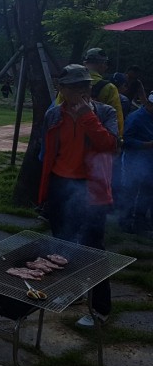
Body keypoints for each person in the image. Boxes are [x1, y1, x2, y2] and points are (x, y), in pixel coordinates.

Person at [38, 64, 118, 327]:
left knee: (93, 248)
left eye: (85, 86)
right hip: (61, 185)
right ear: (62, 89)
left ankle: (100, 309)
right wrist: (45, 191)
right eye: (74, 87)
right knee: (63, 244)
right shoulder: (53, 114)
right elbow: (46, 153)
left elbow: (110, 146)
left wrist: (87, 116)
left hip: (91, 188)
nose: (81, 91)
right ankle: (72, 292)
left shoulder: (104, 112)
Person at [121, 92, 153, 233]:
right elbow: (125, 141)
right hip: (134, 161)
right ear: (150, 104)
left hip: (149, 163)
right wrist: (147, 145)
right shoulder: (135, 118)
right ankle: (125, 222)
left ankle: (140, 221)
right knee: (131, 192)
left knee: (147, 192)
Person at [82, 48, 124, 136]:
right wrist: (119, 139)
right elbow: (117, 120)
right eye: (106, 64)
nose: (106, 67)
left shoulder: (68, 86)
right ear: (102, 64)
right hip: (98, 137)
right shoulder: (109, 88)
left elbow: (57, 110)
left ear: (85, 63)